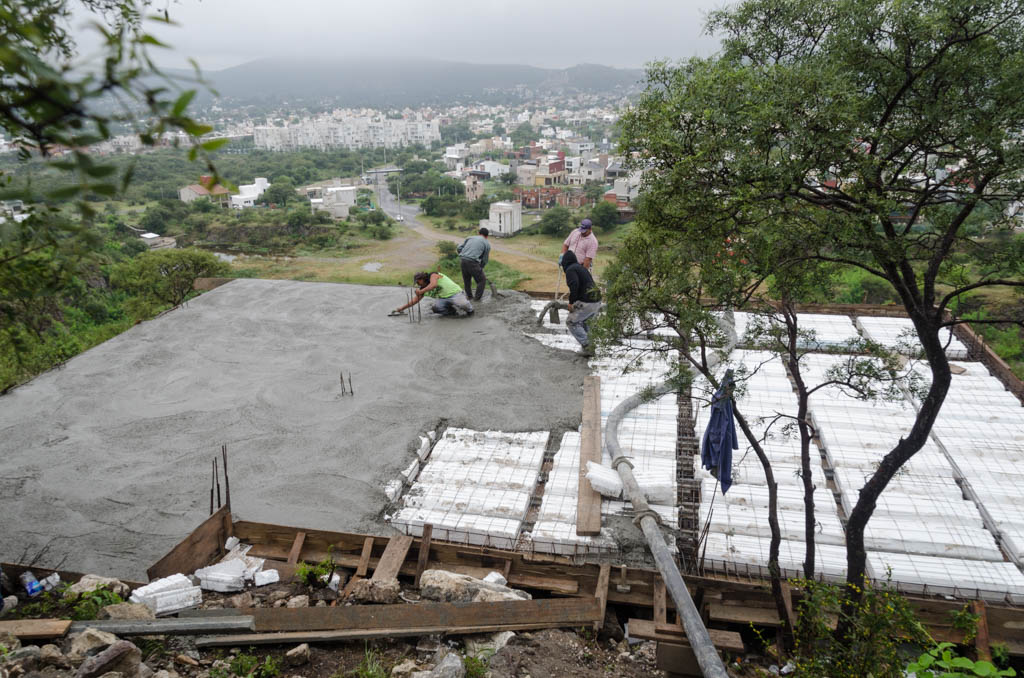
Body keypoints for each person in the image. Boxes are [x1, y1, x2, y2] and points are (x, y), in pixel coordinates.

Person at [561, 250, 601, 356]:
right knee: (586, 323)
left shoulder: (570, 269)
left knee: (571, 322)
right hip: (596, 300)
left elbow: (574, 285)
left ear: (565, 263)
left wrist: (571, 302)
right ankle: (591, 346)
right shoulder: (581, 268)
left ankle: (587, 346)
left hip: (587, 301)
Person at [393, 271, 474, 317]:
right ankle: (453, 313)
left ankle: (471, 311)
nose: (418, 284)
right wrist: (401, 308)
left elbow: (433, 285)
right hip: (443, 298)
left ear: (422, 278)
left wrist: (421, 291)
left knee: (463, 305)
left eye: (418, 282)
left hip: (455, 294)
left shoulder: (433, 275)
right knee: (436, 308)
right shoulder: (423, 288)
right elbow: (415, 300)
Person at [457, 227, 491, 301]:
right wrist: (481, 267)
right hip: (473, 262)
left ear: (479, 233)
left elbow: (459, 248)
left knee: (467, 280)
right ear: (487, 236)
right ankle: (476, 299)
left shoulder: (470, 238)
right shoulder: (487, 244)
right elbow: (485, 259)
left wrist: (464, 255)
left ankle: (469, 297)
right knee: (482, 280)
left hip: (463, 260)